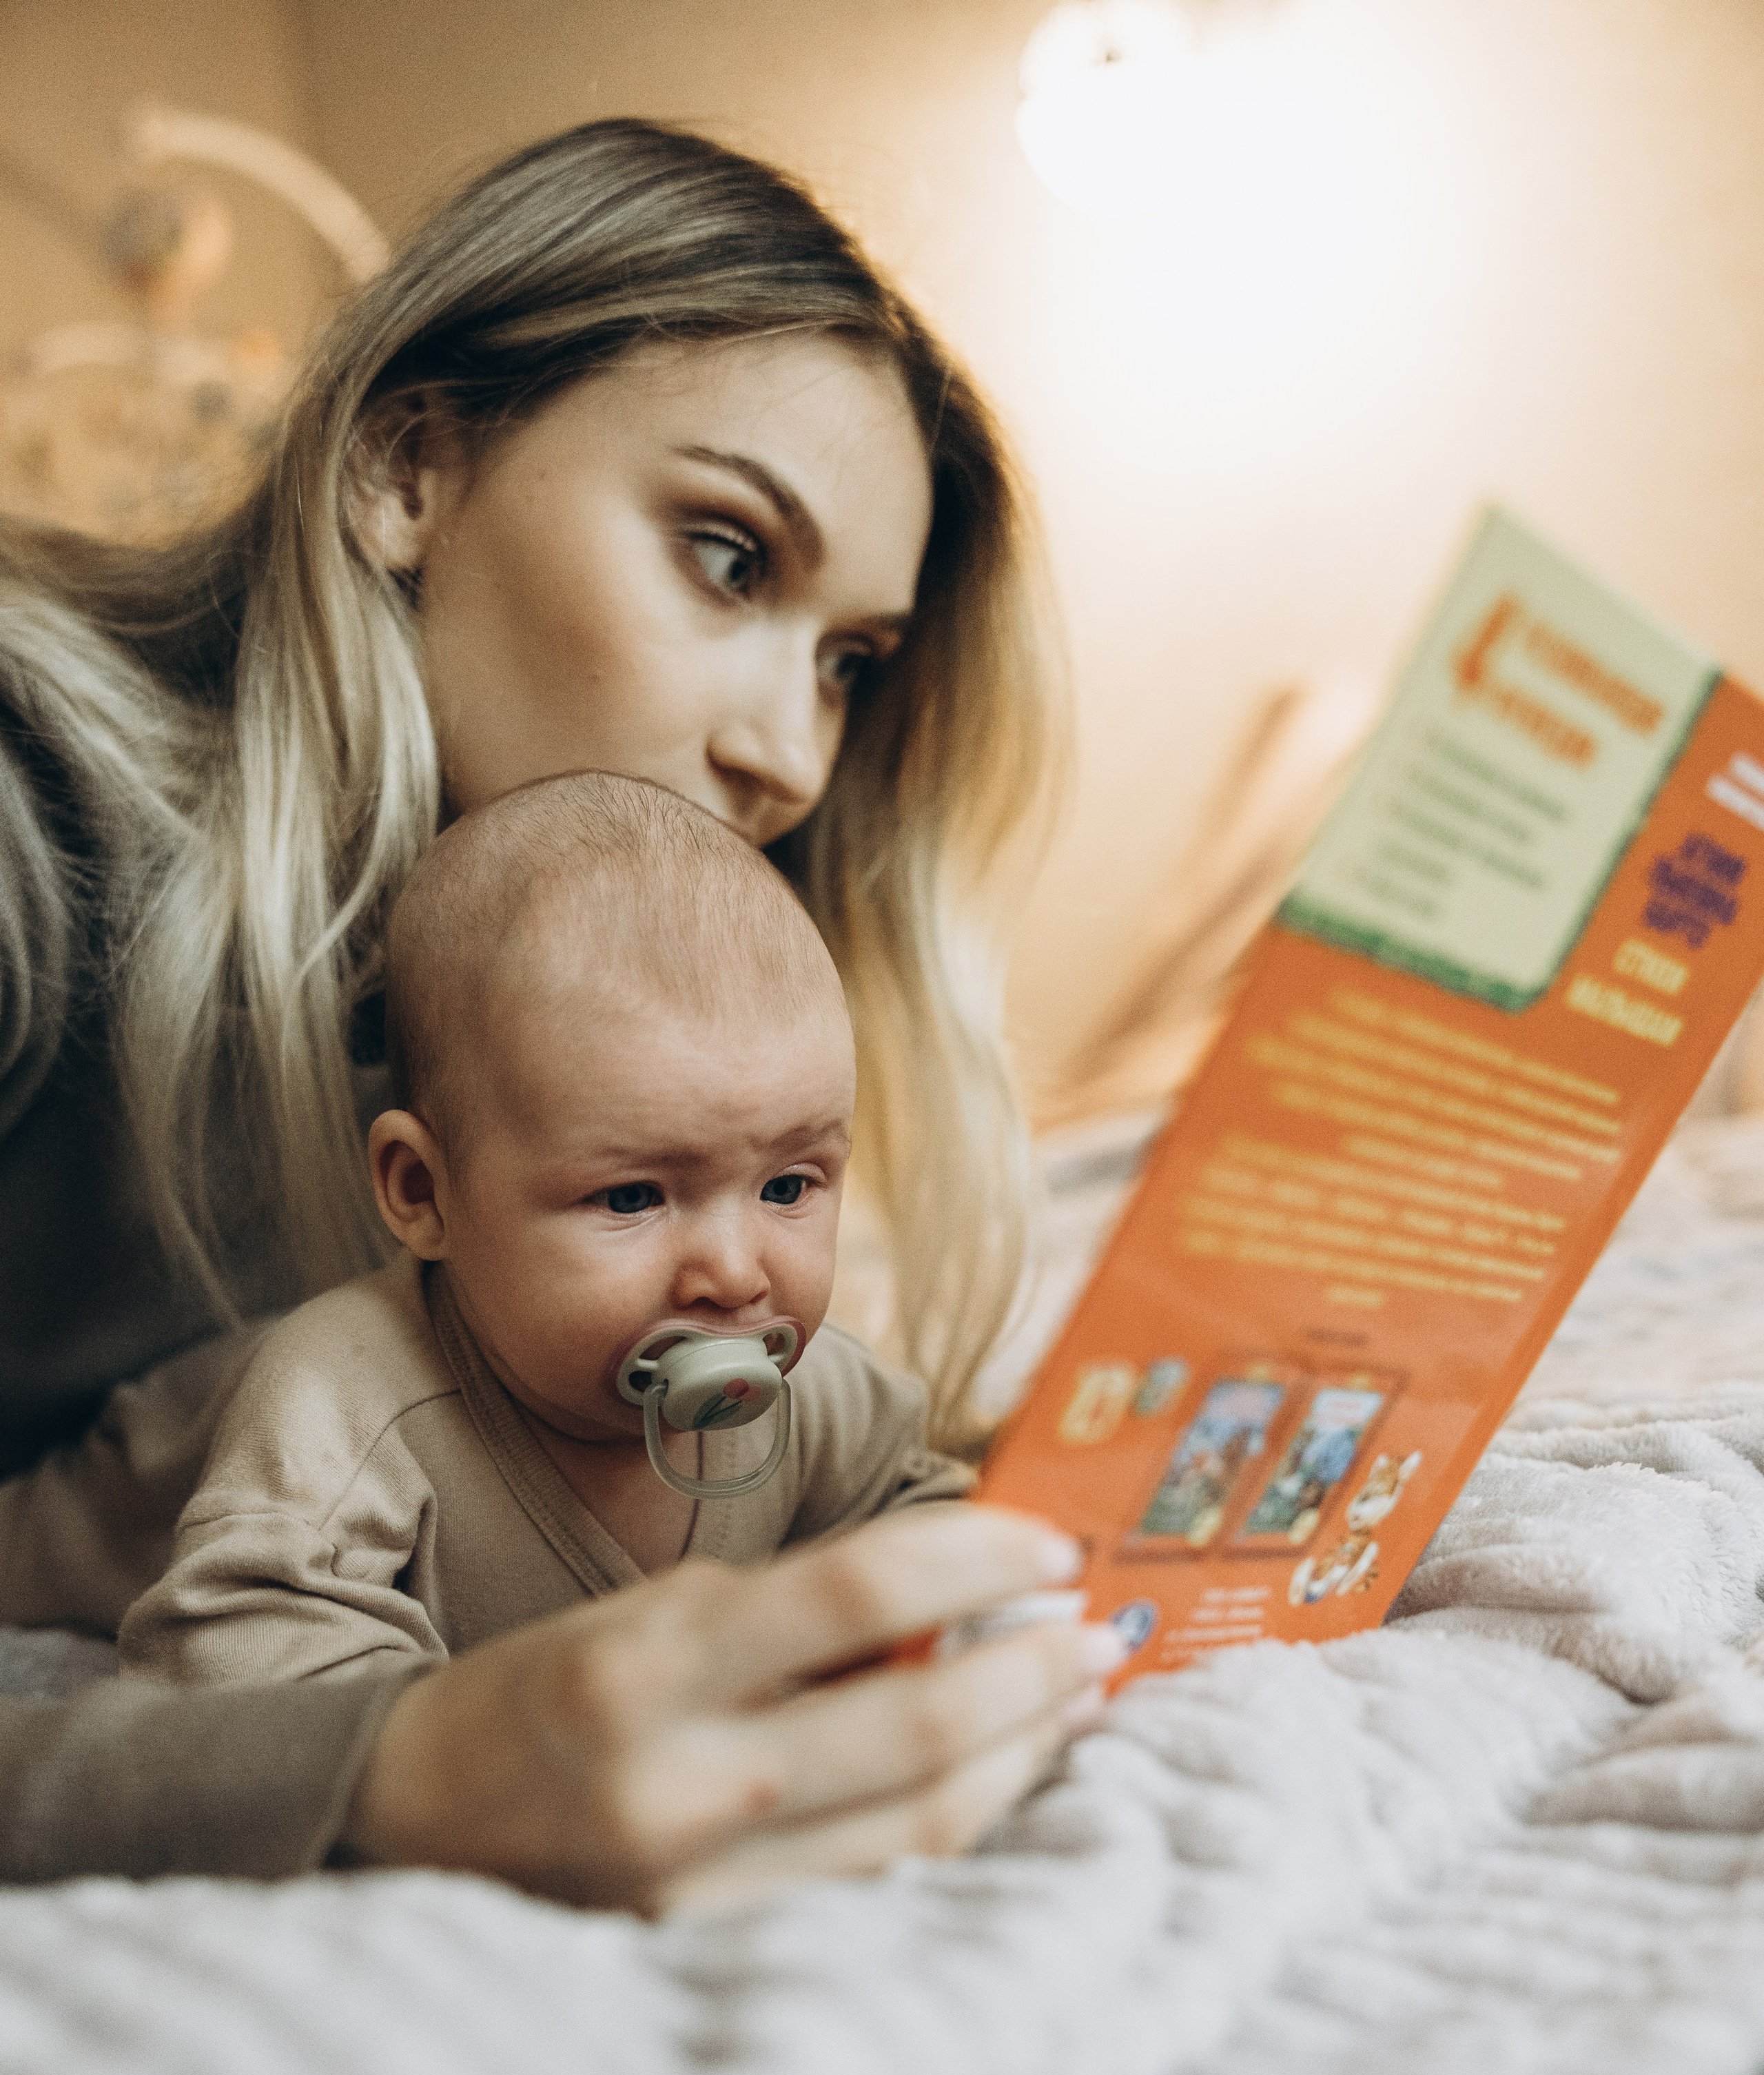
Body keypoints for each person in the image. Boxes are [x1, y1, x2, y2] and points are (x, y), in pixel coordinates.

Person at [0, 119, 1118, 1906]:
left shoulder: (497, 1010)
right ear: (404, 468)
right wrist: (390, 1765)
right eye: (728, 558)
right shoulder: (28, 831)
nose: (790, 755)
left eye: (849, 665)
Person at [120, 771, 981, 1701]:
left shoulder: (817, 1396)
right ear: (423, 1191)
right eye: (633, 1198)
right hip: (109, 1484)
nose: (736, 1276)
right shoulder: (344, 1408)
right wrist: (478, 1737)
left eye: (786, 1187)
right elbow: (234, 1664)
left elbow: (930, 1520)